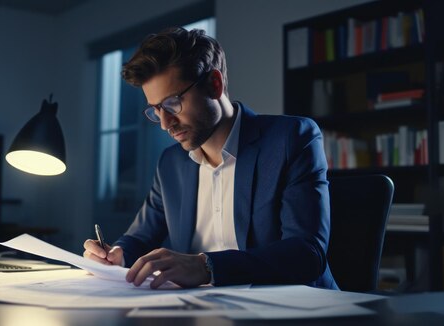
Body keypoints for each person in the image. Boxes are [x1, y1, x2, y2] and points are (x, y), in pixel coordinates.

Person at [83, 27, 337, 290]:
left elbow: (307, 254)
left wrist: (207, 267)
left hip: (294, 309)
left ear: (215, 84)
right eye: (156, 110)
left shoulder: (291, 139)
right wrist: (116, 255)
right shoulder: (171, 163)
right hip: (201, 310)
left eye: (172, 104)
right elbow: (140, 237)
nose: (164, 123)